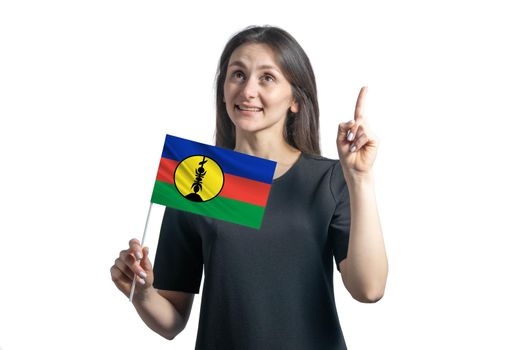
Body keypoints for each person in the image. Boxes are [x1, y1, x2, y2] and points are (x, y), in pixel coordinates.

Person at [110, 25, 388, 349]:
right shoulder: (197, 178)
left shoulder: (328, 180)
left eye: (266, 78)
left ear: (295, 99)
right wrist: (142, 293)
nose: (248, 90)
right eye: (238, 75)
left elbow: (369, 289)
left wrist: (360, 178)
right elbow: (172, 321)